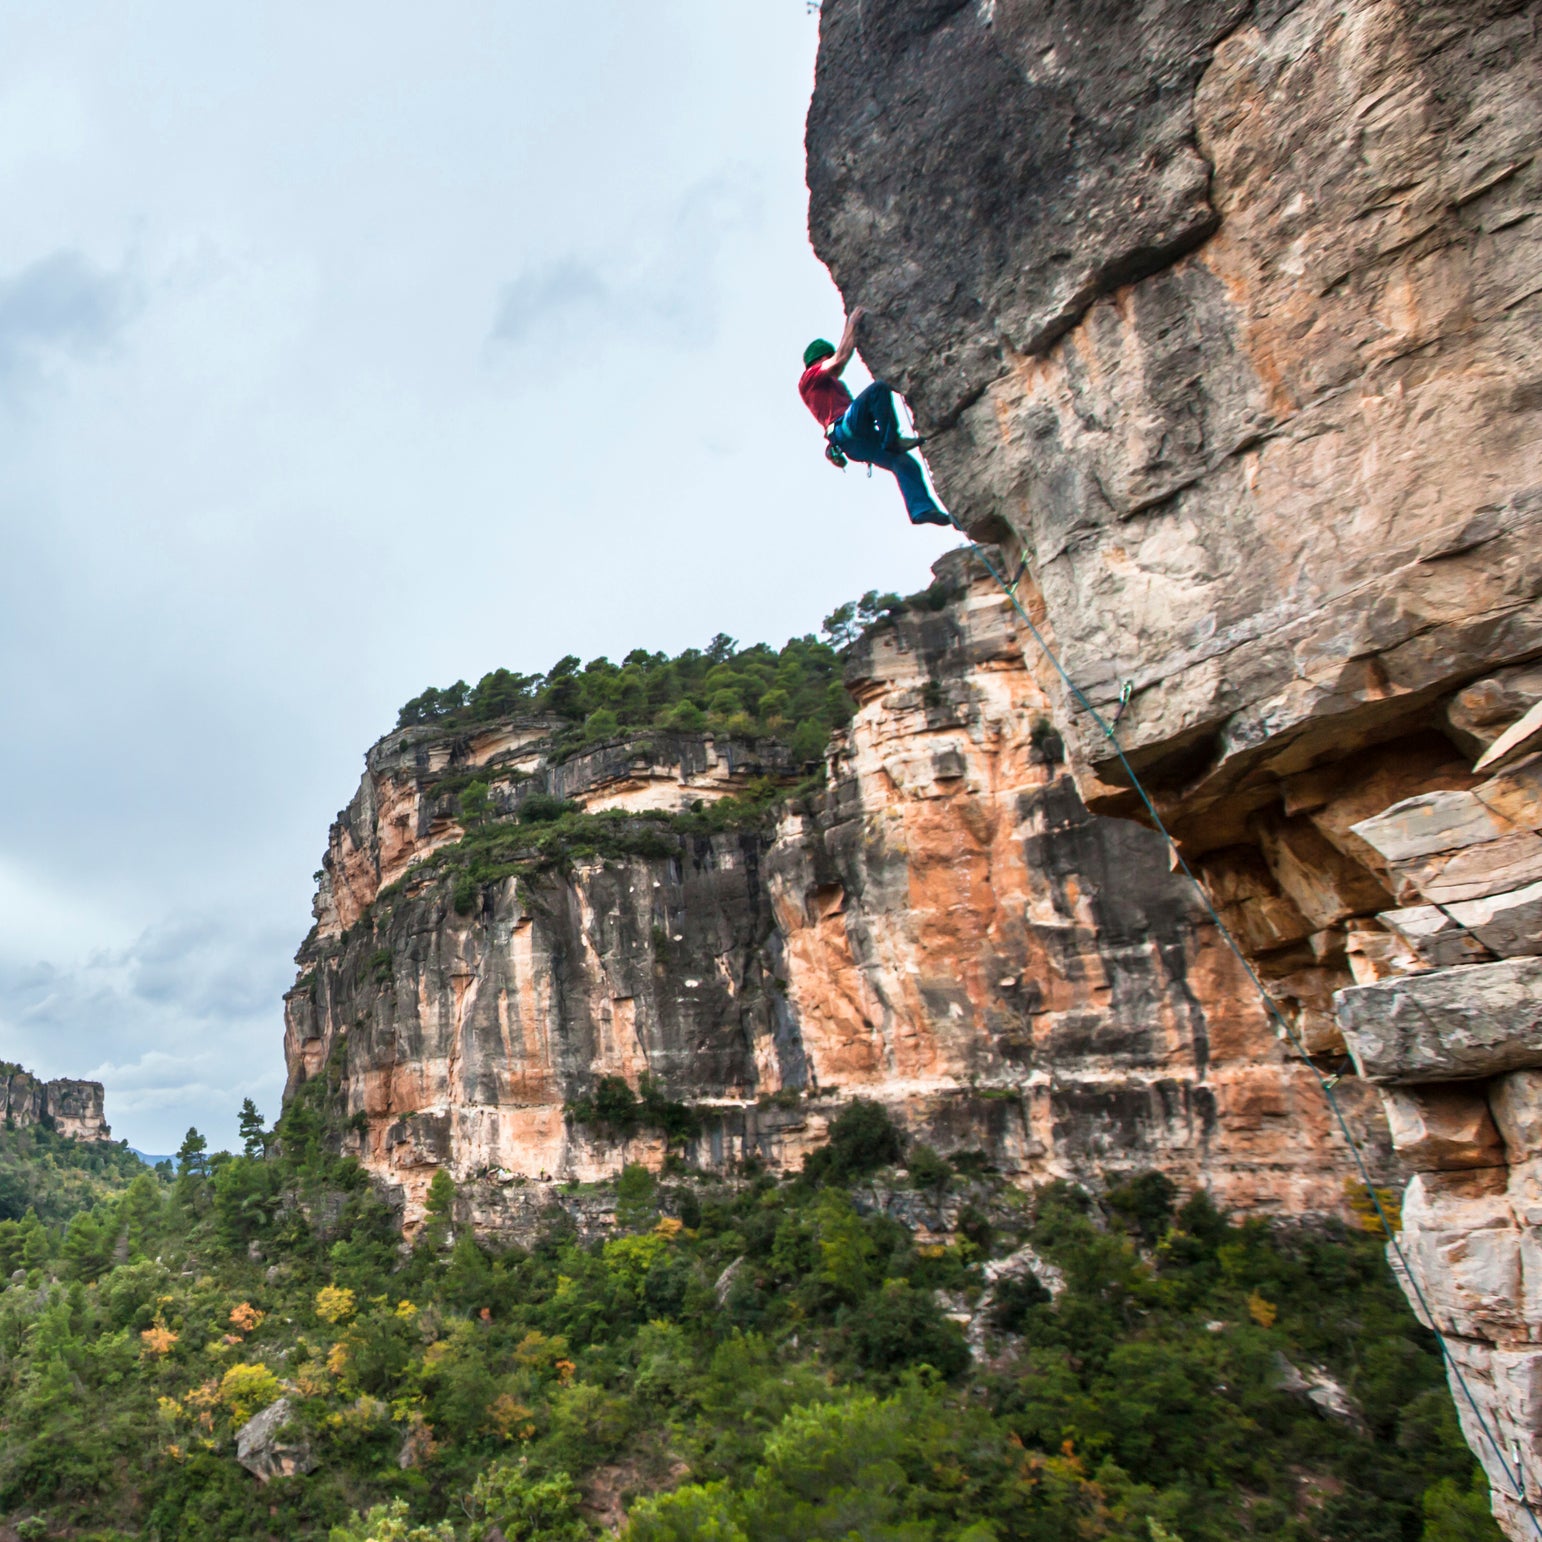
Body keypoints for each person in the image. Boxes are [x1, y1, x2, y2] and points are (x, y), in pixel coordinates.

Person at [798, 307, 950, 527]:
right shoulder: (809, 378)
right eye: (828, 358)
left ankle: (921, 510)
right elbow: (840, 357)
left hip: (856, 443)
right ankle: (892, 439)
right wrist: (851, 325)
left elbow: (840, 360)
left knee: (904, 463)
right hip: (846, 429)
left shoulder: (832, 386)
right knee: (878, 389)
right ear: (821, 359)